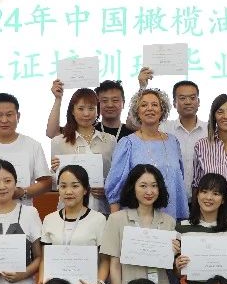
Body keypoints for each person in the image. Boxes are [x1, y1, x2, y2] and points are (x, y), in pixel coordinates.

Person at [102, 164, 181, 284]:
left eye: (154, 186)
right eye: (143, 186)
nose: (149, 191)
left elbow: (174, 269)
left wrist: (175, 254)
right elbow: (114, 265)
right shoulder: (116, 219)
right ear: (133, 187)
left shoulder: (169, 221)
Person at [106, 87, 189, 220]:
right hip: (137, 218)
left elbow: (178, 180)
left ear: (162, 110)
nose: (149, 108)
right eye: (144, 105)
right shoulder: (128, 143)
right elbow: (115, 185)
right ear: (137, 111)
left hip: (172, 216)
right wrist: (115, 221)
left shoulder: (173, 142)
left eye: (155, 105)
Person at [49, 86, 117, 214]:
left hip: (102, 209)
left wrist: (107, 188)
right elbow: (53, 181)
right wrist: (56, 172)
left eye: (91, 108)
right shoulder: (59, 141)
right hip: (69, 210)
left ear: (97, 111)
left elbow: (116, 176)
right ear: (72, 111)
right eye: (80, 108)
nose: (86, 114)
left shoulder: (110, 140)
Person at [162, 80, 206, 197]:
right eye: (182, 98)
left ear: (198, 102)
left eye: (192, 98)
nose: (188, 102)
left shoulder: (210, 130)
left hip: (203, 199)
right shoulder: (164, 129)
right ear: (174, 103)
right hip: (171, 197)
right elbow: (135, 124)